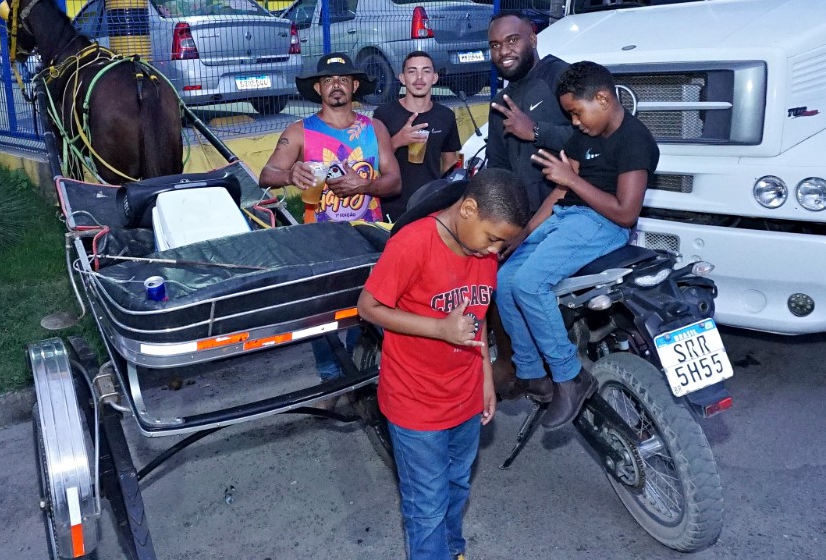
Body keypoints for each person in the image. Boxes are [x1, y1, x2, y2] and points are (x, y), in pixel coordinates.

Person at [357, 169, 529, 560]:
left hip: (465, 396)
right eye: (492, 238)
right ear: (467, 209)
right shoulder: (412, 244)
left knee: (456, 486)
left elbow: (477, 319)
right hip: (415, 402)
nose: (494, 251)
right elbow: (368, 307)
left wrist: (485, 377)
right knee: (427, 504)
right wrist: (439, 328)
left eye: (502, 244)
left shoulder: (482, 253)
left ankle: (451, 550)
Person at [496, 61, 659, 429]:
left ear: (602, 99)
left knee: (529, 284)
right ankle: (532, 374)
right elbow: (560, 192)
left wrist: (571, 179)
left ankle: (570, 377)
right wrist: (524, 234)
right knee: (504, 280)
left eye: (576, 112)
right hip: (565, 218)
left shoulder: (634, 140)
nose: (574, 122)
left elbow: (625, 213)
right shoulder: (583, 135)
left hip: (602, 224)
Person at [259, 51, 401, 381]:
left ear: (354, 86)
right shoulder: (299, 131)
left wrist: (364, 184)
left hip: (367, 238)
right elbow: (267, 175)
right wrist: (290, 175)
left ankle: (357, 368)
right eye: (328, 80)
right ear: (318, 88)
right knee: (321, 315)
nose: (336, 85)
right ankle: (330, 377)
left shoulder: (374, 128)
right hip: (320, 243)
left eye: (342, 79)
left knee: (367, 307)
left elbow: (394, 182)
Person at [486, 10, 573, 215]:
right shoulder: (499, 103)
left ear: (533, 40)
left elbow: (595, 141)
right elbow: (497, 169)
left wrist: (535, 131)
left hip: (569, 213)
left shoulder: (562, 76)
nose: (503, 51)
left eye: (512, 40)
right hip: (521, 218)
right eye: (495, 45)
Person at [372, 51, 461, 222]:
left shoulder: (445, 116)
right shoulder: (383, 114)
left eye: (426, 71)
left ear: (434, 78)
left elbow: (449, 164)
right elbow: (371, 164)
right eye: (412, 71)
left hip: (430, 206)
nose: (419, 78)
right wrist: (397, 140)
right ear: (402, 78)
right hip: (391, 206)